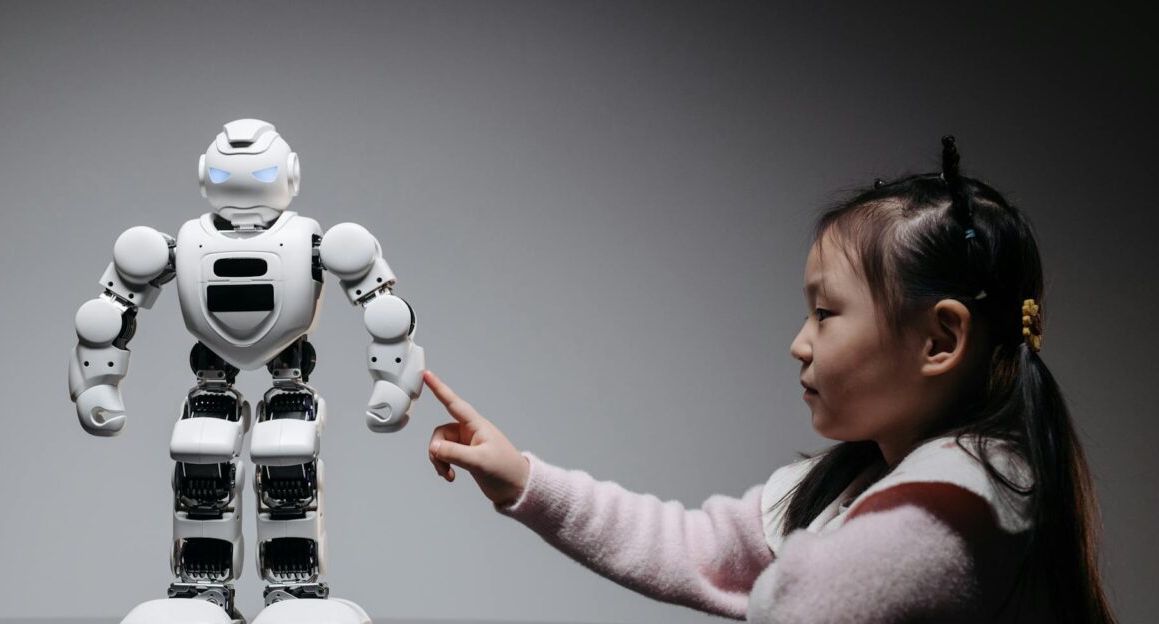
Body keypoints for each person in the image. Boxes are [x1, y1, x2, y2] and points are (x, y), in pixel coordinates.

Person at [422, 137, 1116, 623]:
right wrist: (524, 480)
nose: (798, 344)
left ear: (939, 340)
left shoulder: (953, 508)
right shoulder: (867, 481)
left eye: (825, 313)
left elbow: (801, 601)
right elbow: (697, 547)